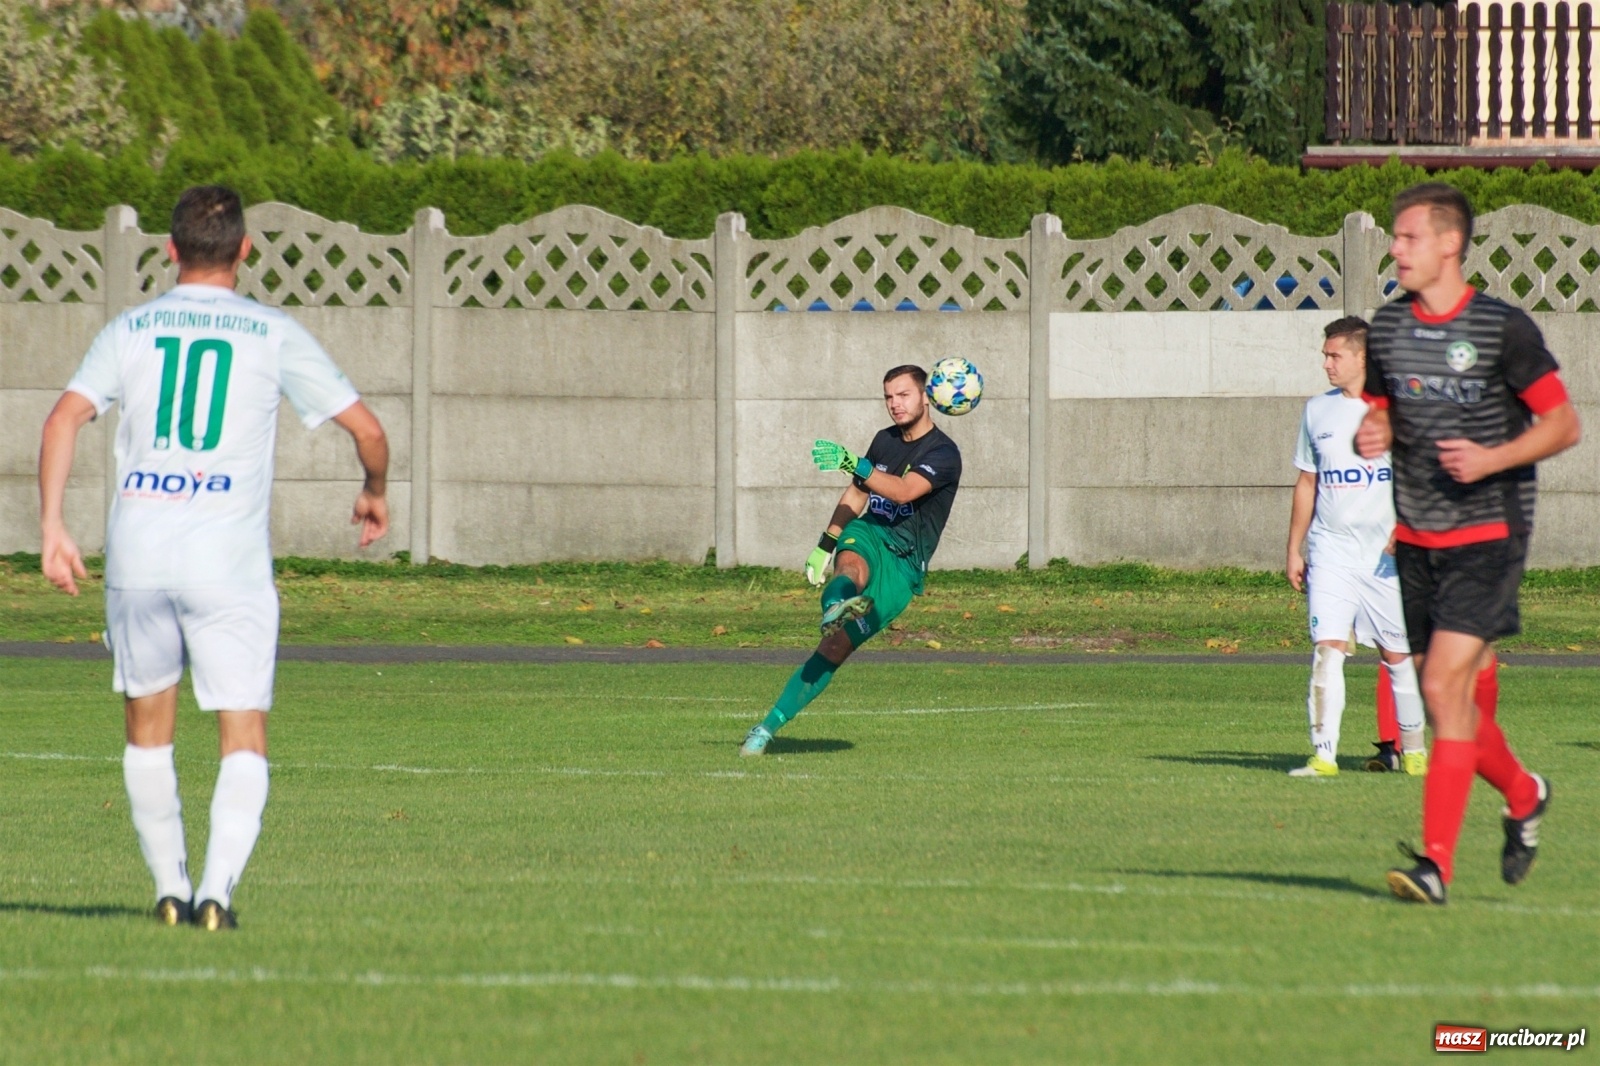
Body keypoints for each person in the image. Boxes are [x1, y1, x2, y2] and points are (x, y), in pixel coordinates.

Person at [37, 185, 390, 929]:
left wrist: (52, 526)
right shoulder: (269, 333)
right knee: (243, 731)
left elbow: (64, 416)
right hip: (226, 564)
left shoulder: (131, 328)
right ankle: (216, 897)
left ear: (169, 251)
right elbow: (368, 431)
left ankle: (169, 890)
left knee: (147, 731)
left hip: (138, 553)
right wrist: (373, 489)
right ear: (245, 250)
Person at [1355, 183, 1581, 904]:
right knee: (1459, 705)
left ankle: (1436, 866)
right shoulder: (1387, 330)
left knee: (1438, 690)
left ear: (1449, 244)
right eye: (1397, 237)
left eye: (1408, 237)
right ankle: (1522, 792)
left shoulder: (1500, 328)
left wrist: (1490, 459)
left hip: (1487, 533)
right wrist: (1376, 431)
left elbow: (1563, 425)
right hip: (1417, 539)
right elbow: (1387, 413)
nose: (1396, 248)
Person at [740, 364, 961, 756]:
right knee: (850, 567)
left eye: (904, 395)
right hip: (871, 532)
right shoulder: (884, 440)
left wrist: (855, 462)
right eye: (889, 397)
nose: (895, 404)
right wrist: (826, 543)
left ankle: (771, 722)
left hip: (904, 564)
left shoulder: (944, 453)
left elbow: (904, 492)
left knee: (835, 648)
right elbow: (857, 495)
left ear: (927, 397)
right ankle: (834, 607)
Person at [1285, 316, 1427, 778]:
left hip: (1385, 559)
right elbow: (1307, 482)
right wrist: (1295, 548)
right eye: (1325, 355)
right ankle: (1323, 756)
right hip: (1331, 551)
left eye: (1334, 355)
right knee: (1328, 648)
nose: (1326, 363)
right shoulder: (1316, 410)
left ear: (1362, 357)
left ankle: (1415, 752)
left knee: (1397, 656)